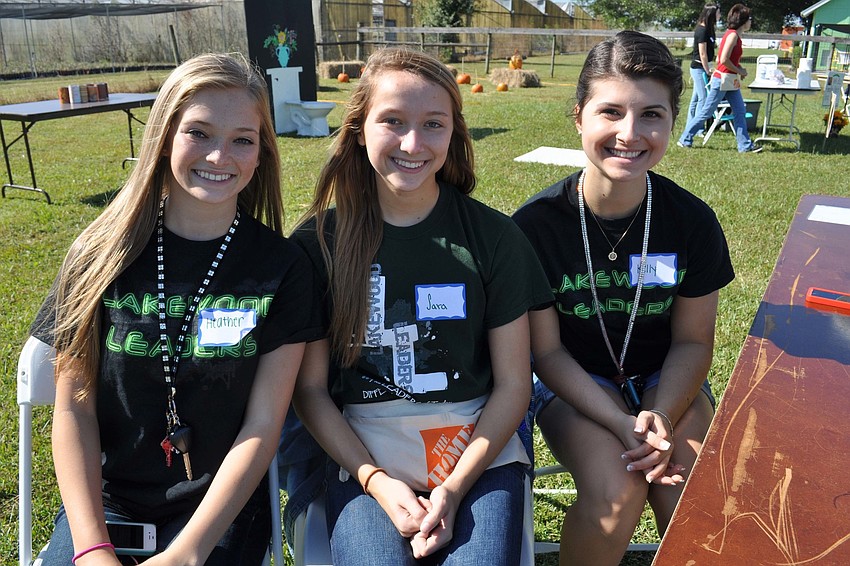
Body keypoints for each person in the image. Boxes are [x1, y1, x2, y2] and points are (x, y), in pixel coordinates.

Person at [33, 52, 322, 565]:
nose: (219, 157)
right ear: (164, 136)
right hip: (108, 506)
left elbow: (262, 425)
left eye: (242, 139)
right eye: (199, 133)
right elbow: (72, 409)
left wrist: (187, 554)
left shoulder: (283, 268)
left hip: (218, 510)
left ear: (261, 154)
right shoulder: (99, 254)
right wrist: (92, 548)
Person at [286, 46, 553, 565]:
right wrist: (378, 482)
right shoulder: (318, 245)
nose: (413, 143)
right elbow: (312, 391)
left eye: (433, 124)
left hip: (478, 452)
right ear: (359, 128)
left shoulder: (494, 238)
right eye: (393, 121)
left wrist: (453, 489)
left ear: (454, 134)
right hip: (364, 454)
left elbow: (515, 384)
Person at [513, 31, 735, 566]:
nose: (629, 134)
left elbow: (692, 340)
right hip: (574, 383)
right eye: (610, 112)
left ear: (672, 121)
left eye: (651, 115)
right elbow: (546, 354)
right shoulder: (535, 227)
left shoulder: (692, 222)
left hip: (668, 377)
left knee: (683, 491)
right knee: (617, 494)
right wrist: (620, 423)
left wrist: (659, 413)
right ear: (579, 117)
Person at [678, 3, 762, 153]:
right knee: (706, 112)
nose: (751, 22)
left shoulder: (734, 35)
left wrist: (739, 69)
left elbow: (728, 58)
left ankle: (744, 145)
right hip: (722, 80)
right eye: (749, 19)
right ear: (742, 21)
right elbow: (722, 60)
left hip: (730, 81)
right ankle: (685, 139)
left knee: (740, 111)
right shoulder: (732, 35)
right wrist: (739, 71)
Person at [686, 4, 720, 131]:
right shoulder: (702, 30)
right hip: (698, 68)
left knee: (695, 98)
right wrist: (707, 70)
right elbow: (702, 53)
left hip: (704, 67)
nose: (719, 16)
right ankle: (698, 129)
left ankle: (690, 125)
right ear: (711, 14)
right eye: (718, 13)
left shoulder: (709, 30)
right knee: (703, 98)